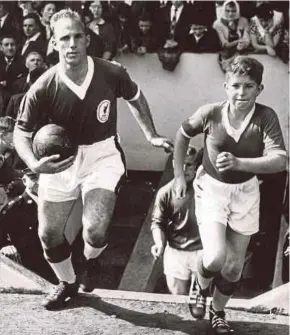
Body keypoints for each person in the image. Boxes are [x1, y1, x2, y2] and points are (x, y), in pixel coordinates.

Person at [13, 8, 173, 311]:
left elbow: (135, 98)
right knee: (49, 235)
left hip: (102, 153)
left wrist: (150, 134)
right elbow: (21, 133)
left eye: (77, 37)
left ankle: (88, 263)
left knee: (95, 229)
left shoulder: (111, 72)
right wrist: (34, 163)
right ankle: (68, 283)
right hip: (59, 160)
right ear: (54, 43)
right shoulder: (44, 85)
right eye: (64, 38)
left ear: (87, 39)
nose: (71, 44)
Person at [173, 56, 286, 334]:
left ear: (259, 88)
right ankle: (200, 285)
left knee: (234, 268)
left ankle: (218, 311)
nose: (241, 93)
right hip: (211, 188)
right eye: (235, 86)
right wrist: (178, 175)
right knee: (214, 258)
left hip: (246, 191)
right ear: (226, 86)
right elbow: (182, 133)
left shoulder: (265, 116)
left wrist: (240, 163)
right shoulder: (210, 113)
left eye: (249, 86)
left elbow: (280, 160)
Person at [151, 146, 203, 295]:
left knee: (199, 300)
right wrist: (159, 243)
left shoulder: (206, 189)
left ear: (196, 166)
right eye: (181, 164)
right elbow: (157, 222)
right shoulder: (165, 192)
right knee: (177, 299)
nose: (185, 169)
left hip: (202, 250)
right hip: (175, 252)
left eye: (190, 165)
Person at [213, 0, 250, 72]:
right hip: (225, 57)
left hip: (241, 55)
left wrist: (243, 44)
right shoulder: (218, 24)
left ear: (238, 10)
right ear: (223, 10)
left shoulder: (243, 21)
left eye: (233, 11)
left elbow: (247, 39)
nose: (230, 14)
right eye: (227, 11)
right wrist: (238, 41)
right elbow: (224, 44)